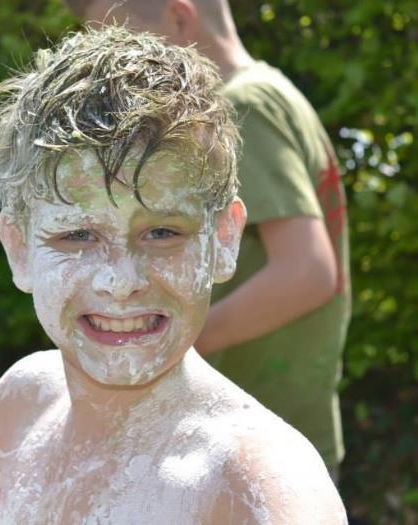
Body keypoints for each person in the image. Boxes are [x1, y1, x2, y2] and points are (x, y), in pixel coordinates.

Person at [0, 26, 347, 524]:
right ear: (19, 249)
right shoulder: (23, 403)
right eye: (76, 236)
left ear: (224, 240)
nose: (120, 281)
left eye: (162, 233)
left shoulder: (260, 486)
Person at [63, 0, 351, 476]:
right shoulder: (270, 89)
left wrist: (158, 346)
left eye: (124, 39)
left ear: (179, 17)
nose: (114, 62)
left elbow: (308, 272)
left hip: (257, 447)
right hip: (266, 433)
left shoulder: (241, 108)